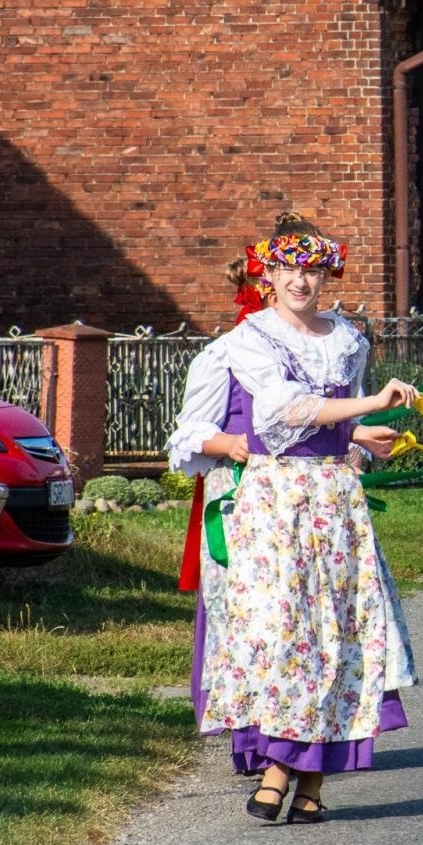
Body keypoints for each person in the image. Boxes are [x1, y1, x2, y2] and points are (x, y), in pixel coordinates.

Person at [200, 212, 419, 825]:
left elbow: (332, 421)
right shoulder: (251, 339)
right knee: (283, 633)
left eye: (313, 269)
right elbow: (284, 411)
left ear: (328, 274)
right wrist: (371, 404)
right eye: (288, 268)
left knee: (337, 632)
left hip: (334, 499)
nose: (301, 280)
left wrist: (360, 434)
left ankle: (309, 783)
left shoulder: (348, 339)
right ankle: (278, 769)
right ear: (266, 275)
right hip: (274, 502)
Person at [167, 257, 266, 751]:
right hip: (240, 498)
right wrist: (228, 444)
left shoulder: (326, 347)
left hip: (306, 499)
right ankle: (250, 728)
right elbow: (189, 435)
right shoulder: (224, 356)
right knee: (243, 609)